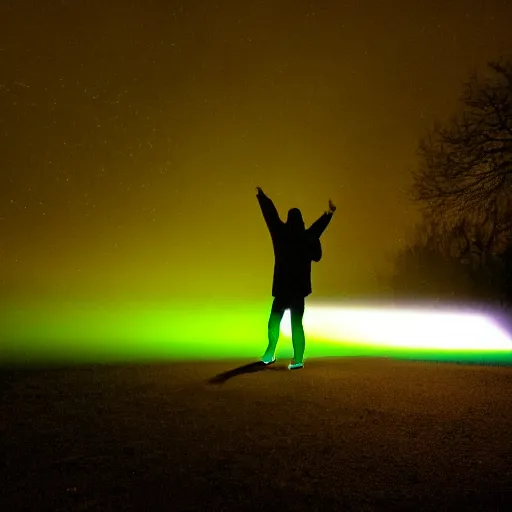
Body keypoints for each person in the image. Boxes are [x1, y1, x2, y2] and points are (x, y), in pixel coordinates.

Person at [256, 187, 335, 370]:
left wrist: (263, 198)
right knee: (296, 324)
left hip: (283, 289)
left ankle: (270, 352)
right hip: (298, 290)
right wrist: (329, 212)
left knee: (273, 322)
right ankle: (297, 358)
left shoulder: (281, 235)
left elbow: (271, 216)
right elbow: (319, 226)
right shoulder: (307, 237)